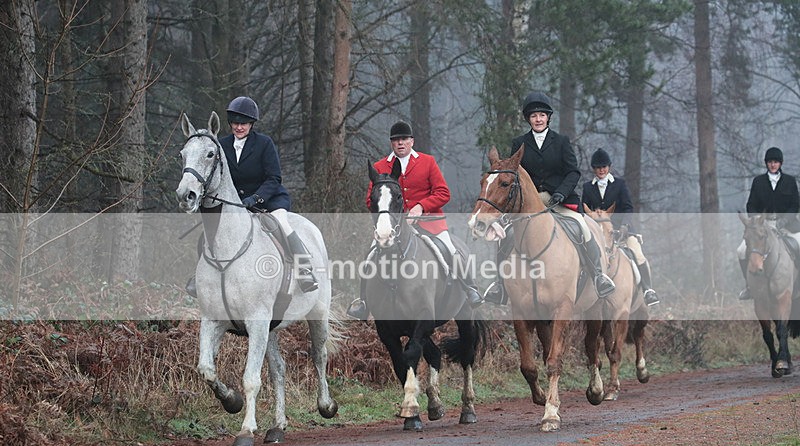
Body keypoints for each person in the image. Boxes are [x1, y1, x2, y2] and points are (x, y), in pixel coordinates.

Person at [483, 91, 615, 305]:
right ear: (528, 119)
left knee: (582, 227)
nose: (538, 119)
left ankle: (599, 275)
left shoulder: (561, 141)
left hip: (559, 199)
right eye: (534, 116)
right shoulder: (519, 143)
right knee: (505, 236)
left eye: (542, 115)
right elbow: (515, 175)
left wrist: (561, 192)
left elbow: (573, 172)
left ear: (548, 117)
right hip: (529, 201)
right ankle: (500, 285)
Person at [346, 120, 484, 320]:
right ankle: (363, 302)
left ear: (412, 141)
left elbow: (443, 193)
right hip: (394, 226)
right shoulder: (380, 166)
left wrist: (421, 207)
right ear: (391, 143)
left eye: (404, 139)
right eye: (395, 140)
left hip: (430, 222)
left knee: (452, 250)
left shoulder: (427, 162)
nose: (400, 143)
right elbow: (370, 199)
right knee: (369, 257)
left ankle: (470, 289)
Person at [186, 96, 318, 297]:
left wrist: (254, 199)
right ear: (230, 123)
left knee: (283, 223)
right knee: (208, 233)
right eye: (236, 123)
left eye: (244, 123)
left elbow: (274, 178)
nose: (239, 127)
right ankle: (200, 276)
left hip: (269, 199)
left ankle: (305, 269)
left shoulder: (264, 143)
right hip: (235, 204)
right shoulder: (221, 145)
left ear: (251, 124)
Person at [582, 148, 660, 306]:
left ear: (609, 167)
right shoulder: (587, 187)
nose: (601, 170)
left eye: (604, 167)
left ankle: (647, 290)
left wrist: (624, 226)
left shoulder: (619, 184)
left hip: (622, 231)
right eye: (598, 167)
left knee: (638, 254)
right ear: (594, 169)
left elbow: (628, 207)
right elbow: (584, 210)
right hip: (598, 232)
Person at [737, 146, 800, 300]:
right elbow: (750, 205)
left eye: (776, 162)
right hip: (762, 226)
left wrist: (784, 220)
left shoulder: (790, 181)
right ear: (766, 163)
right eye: (770, 162)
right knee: (741, 250)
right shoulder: (758, 182)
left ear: (780, 164)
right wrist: (758, 220)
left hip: (787, 226)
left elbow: (795, 205)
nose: (773, 165)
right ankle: (749, 286)